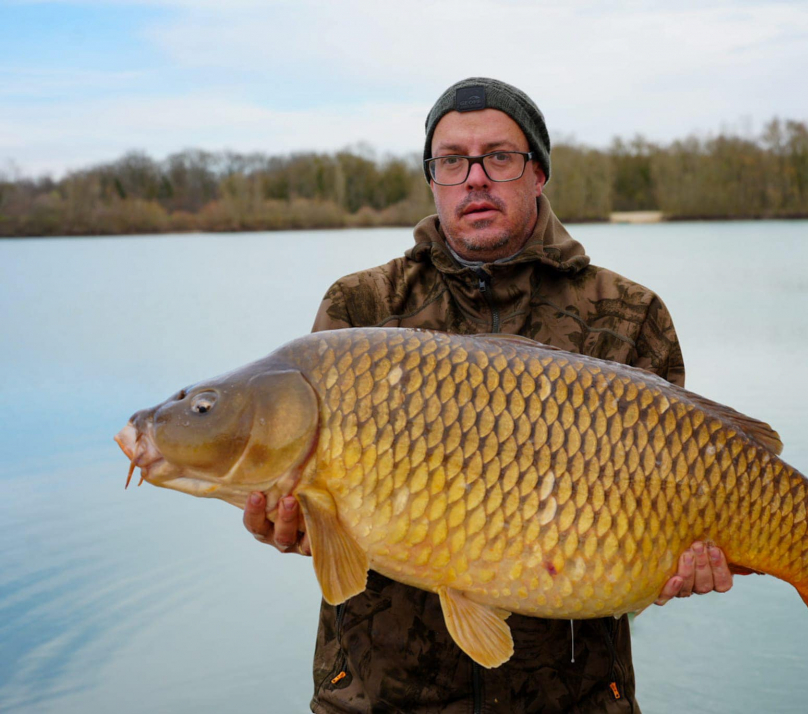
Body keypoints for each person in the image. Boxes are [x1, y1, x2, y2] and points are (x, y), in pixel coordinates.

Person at [243, 77, 733, 713]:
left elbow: (665, 506)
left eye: (499, 157)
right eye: (451, 161)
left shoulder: (626, 313)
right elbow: (329, 521)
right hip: (379, 698)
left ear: (538, 173)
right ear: (433, 179)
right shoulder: (362, 309)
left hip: (576, 700)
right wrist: (299, 527)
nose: (474, 178)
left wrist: (678, 563)